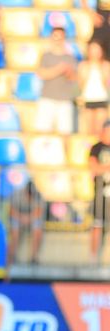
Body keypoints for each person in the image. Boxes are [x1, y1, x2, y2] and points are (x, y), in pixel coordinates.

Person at [38, 27, 79, 135]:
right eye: (55, 36)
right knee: (43, 132)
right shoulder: (46, 56)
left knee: (65, 132)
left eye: (61, 37)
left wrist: (68, 72)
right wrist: (59, 69)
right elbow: (42, 74)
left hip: (65, 99)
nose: (58, 39)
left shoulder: (70, 58)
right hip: (47, 98)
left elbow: (74, 78)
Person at [81, 41, 110, 134]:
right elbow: (81, 83)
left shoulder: (106, 65)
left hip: (101, 98)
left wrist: (100, 67)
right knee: (89, 129)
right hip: (88, 99)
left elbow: (106, 83)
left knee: (100, 129)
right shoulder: (83, 65)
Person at [91, 121, 110, 260]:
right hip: (100, 193)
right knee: (97, 225)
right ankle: (93, 258)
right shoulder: (96, 148)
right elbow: (94, 168)